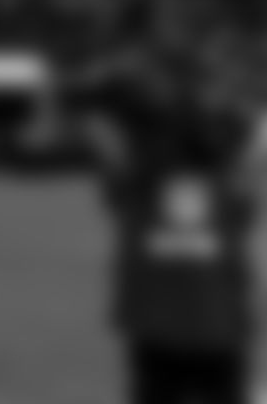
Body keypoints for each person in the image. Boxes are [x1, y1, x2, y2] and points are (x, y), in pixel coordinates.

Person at [72, 32, 256, 404]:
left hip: (155, 324)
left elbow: (96, 125)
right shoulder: (231, 184)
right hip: (219, 323)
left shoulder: (136, 183)